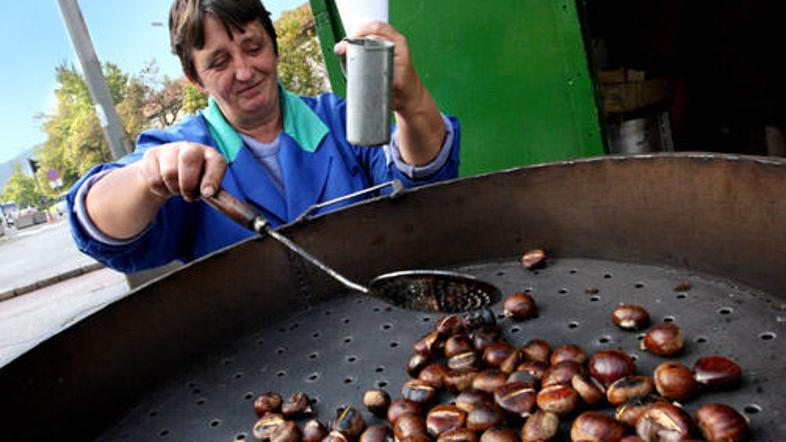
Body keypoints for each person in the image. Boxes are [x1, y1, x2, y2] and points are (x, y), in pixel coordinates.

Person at [66, 0, 460, 274]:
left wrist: (413, 104)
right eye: (218, 62)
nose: (243, 71)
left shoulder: (339, 121)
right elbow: (98, 228)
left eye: (253, 47)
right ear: (194, 78)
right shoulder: (182, 149)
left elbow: (424, 182)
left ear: (273, 46)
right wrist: (146, 180)